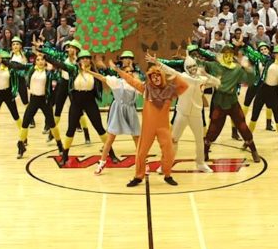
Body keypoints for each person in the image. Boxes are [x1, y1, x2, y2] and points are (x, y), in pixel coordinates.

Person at [111, 59, 189, 187]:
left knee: (169, 152)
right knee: (141, 153)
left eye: (158, 75)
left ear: (162, 77)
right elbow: (131, 80)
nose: (155, 78)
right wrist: (118, 71)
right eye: (153, 76)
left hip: (164, 127)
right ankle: (138, 176)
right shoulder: (145, 89)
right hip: (148, 128)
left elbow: (184, 86)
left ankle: (167, 174)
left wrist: (170, 73)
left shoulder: (170, 90)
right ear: (150, 78)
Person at [195, 44, 262, 163]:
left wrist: (248, 69)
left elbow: (251, 81)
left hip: (232, 102)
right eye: (225, 55)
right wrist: (191, 58)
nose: (228, 57)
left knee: (243, 127)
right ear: (221, 55)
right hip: (219, 102)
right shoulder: (215, 65)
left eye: (230, 55)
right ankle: (205, 151)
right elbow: (199, 64)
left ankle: (253, 150)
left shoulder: (237, 68)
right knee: (214, 129)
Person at [155, 52, 220, 172]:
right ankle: (165, 164)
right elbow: (170, 70)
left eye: (194, 66)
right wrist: (157, 62)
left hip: (196, 115)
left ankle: (200, 163)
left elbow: (217, 82)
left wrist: (206, 75)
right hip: (182, 113)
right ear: (186, 68)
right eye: (189, 67)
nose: (192, 69)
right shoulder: (183, 77)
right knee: (173, 139)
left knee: (200, 140)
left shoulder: (202, 79)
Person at [42, 48, 108, 165]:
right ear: (79, 60)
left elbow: (108, 77)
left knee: (99, 128)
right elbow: (60, 64)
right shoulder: (73, 70)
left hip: (90, 102)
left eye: (87, 58)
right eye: (83, 58)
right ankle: (65, 156)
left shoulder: (94, 72)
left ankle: (111, 154)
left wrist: (105, 68)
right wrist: (46, 57)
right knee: (70, 129)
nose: (86, 60)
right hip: (76, 102)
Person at [89, 51, 140, 175]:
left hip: (130, 112)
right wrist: (88, 71)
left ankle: (142, 163)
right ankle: (102, 162)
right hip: (118, 111)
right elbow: (101, 77)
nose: (129, 74)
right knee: (110, 139)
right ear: (122, 73)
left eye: (130, 72)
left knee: (137, 139)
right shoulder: (116, 82)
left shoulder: (136, 85)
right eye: (126, 72)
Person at [15, 51, 62, 158]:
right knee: (25, 122)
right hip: (33, 100)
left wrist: (53, 70)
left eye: (42, 59)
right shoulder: (31, 70)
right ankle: (21, 146)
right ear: (35, 61)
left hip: (44, 100)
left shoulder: (49, 73)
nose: (40, 62)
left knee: (52, 124)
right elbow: (19, 67)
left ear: (45, 61)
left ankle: (60, 145)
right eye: (38, 60)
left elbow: (58, 78)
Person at [245, 44, 278, 151]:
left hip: (274, 93)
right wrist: (244, 45)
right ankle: (248, 140)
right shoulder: (267, 61)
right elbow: (254, 53)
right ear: (274, 54)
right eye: (277, 53)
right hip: (262, 90)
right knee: (254, 116)